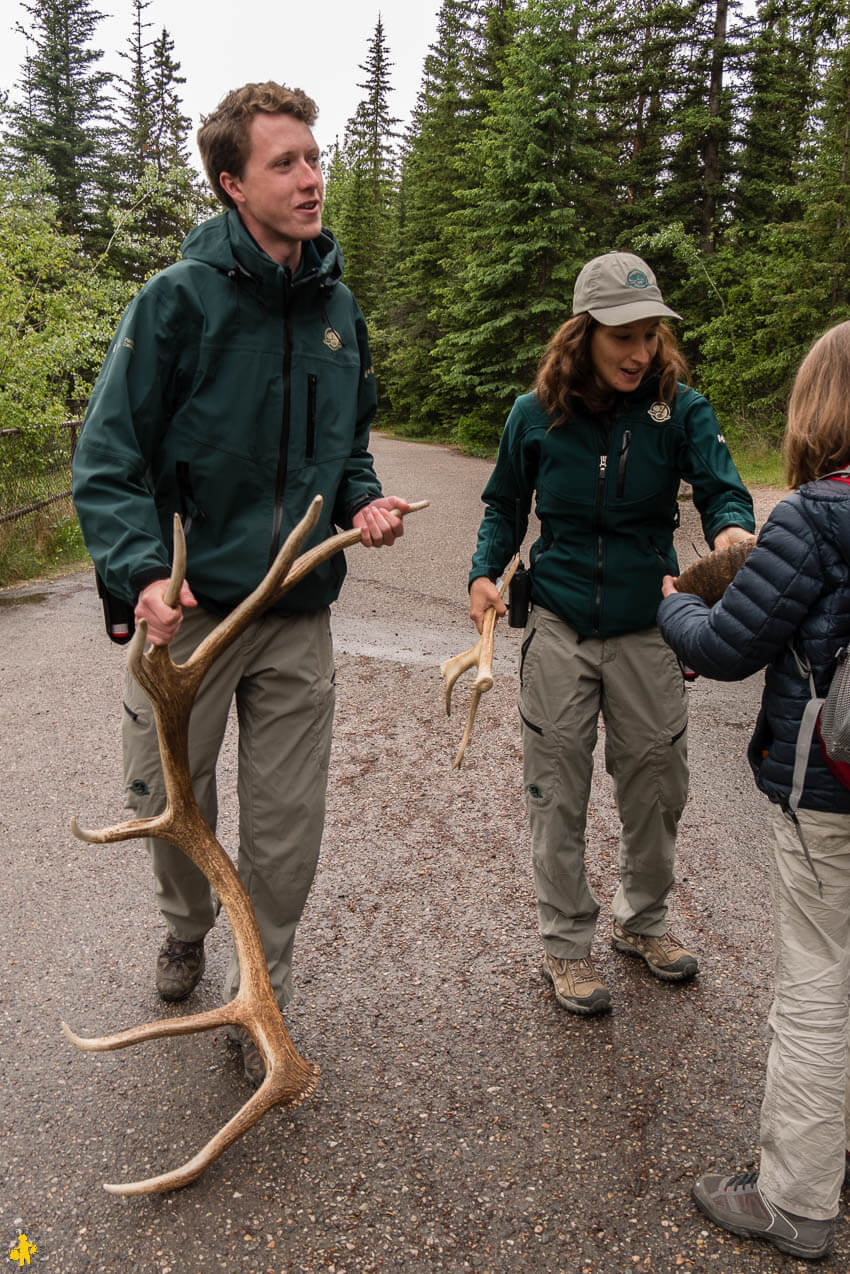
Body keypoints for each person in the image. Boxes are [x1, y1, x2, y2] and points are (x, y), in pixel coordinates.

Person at [72, 81, 411, 1086]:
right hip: (191, 618)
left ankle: (264, 985)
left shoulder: (339, 310)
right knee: (163, 798)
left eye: (314, 157)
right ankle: (184, 925)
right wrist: (141, 576)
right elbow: (107, 457)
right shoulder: (175, 301)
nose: (312, 178)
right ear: (232, 183)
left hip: (298, 610)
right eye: (285, 163)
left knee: (284, 826)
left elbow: (348, 447)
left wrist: (369, 501)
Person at [466, 251, 755, 1016]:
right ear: (584, 333)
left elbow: (725, 492)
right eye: (624, 334)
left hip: (649, 624)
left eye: (652, 333)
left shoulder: (681, 409)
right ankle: (565, 946)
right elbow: (504, 505)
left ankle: (644, 922)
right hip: (559, 619)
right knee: (556, 785)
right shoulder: (535, 415)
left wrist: (731, 540)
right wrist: (484, 573)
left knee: (658, 783)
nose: (640, 351)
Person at [658, 320, 850, 1261]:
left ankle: (795, 1199)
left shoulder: (815, 516)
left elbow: (725, 648)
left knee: (817, 985)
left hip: (831, 793)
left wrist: (673, 602)